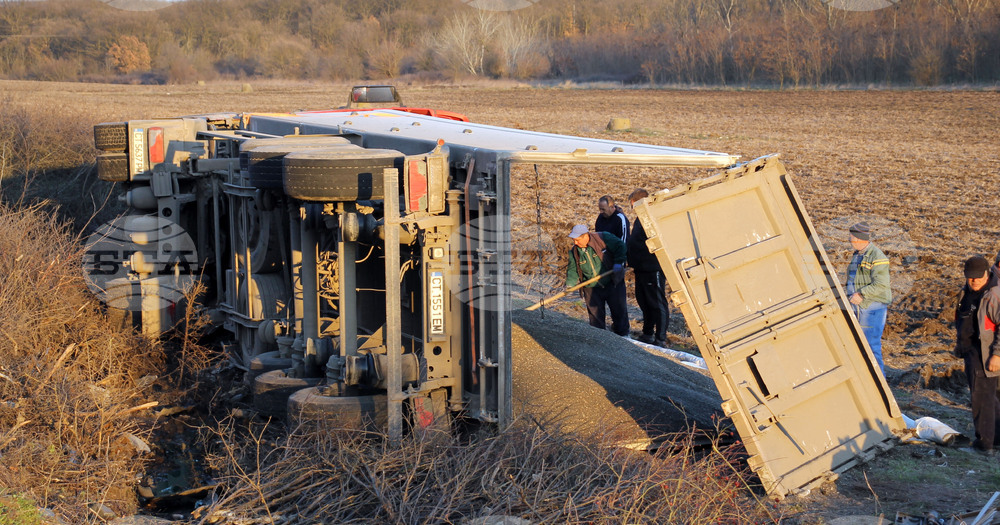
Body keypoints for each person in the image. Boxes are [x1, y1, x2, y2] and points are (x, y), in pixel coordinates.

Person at [954, 255, 1000, 455]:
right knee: (989, 398)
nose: (973, 281)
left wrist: (997, 355)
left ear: (986, 273)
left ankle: (984, 445)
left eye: (977, 277)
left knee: (981, 398)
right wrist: (960, 344)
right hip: (971, 350)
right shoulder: (967, 291)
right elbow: (964, 319)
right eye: (969, 277)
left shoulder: (994, 295)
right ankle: (996, 439)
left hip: (985, 353)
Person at [565, 224, 629, 336]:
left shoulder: (603, 238)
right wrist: (570, 284)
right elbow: (572, 269)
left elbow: (620, 246)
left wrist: (618, 262)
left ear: (585, 236)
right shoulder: (574, 252)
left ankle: (624, 336)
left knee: (619, 312)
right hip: (591, 288)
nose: (575, 243)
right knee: (595, 318)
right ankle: (598, 338)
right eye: (573, 240)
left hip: (612, 282)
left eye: (577, 240)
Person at [845, 222, 891, 373]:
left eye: (851, 237)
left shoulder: (877, 257)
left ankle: (880, 385)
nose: (850, 240)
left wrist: (862, 294)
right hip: (859, 307)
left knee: (871, 346)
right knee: (859, 346)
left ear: (859, 238)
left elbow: (881, 285)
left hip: (872, 308)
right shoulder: (858, 255)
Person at [627, 188, 669, 346]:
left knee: (657, 303)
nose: (632, 209)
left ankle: (660, 338)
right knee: (644, 302)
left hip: (653, 268)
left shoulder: (652, 218)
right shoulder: (640, 219)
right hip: (640, 268)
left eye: (633, 205)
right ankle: (647, 333)